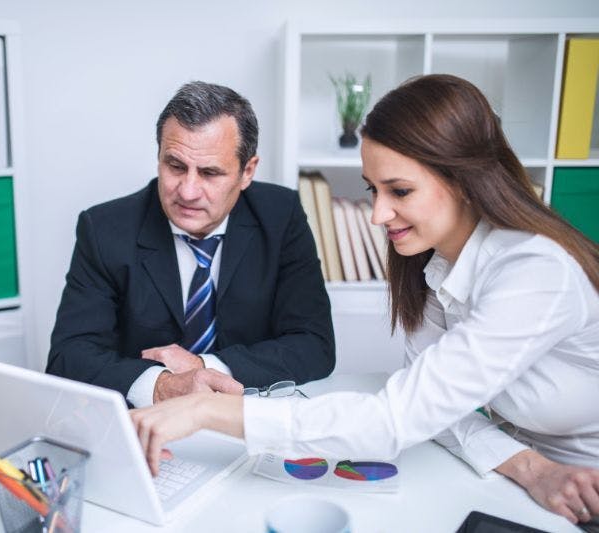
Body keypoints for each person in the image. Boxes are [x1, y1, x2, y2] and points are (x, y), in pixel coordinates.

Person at [130, 74, 599, 528]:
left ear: (463, 180)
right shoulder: (434, 266)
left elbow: (392, 420)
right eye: (374, 189)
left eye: (400, 191)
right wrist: (532, 469)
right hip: (529, 481)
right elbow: (439, 415)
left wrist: (204, 409)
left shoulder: (536, 271)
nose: (377, 213)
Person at [46, 81, 335, 408]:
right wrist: (162, 385)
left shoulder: (280, 217)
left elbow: (315, 346)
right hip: (146, 424)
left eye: (210, 173)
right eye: (175, 166)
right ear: (159, 157)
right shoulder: (104, 229)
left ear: (247, 172)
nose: (187, 191)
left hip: (245, 418)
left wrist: (204, 368)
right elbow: (67, 358)